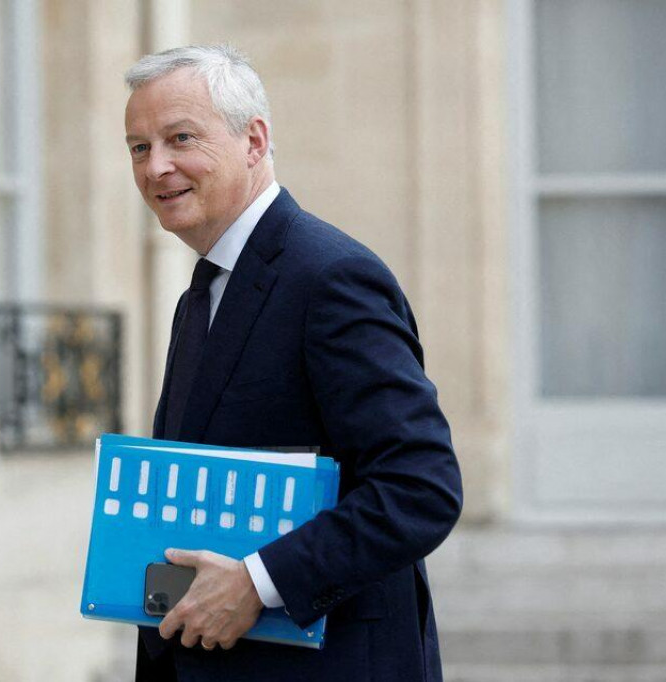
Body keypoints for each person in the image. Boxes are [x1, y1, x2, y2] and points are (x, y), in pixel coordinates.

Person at [124, 44, 462, 682]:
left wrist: (260, 582)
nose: (156, 167)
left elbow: (421, 487)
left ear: (254, 141)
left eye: (180, 138)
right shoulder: (203, 293)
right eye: (139, 148)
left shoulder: (332, 277)